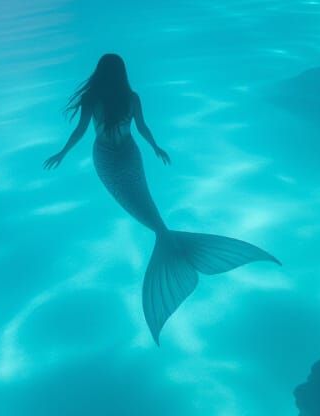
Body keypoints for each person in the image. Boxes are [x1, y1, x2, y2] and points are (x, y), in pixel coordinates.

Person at [43, 53, 278, 343]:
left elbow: (82, 130)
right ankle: (173, 245)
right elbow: (141, 128)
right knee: (147, 207)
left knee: (143, 209)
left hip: (106, 158)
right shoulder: (131, 97)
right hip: (129, 154)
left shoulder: (94, 99)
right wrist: (155, 147)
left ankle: (169, 246)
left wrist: (63, 153)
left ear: (100, 73)